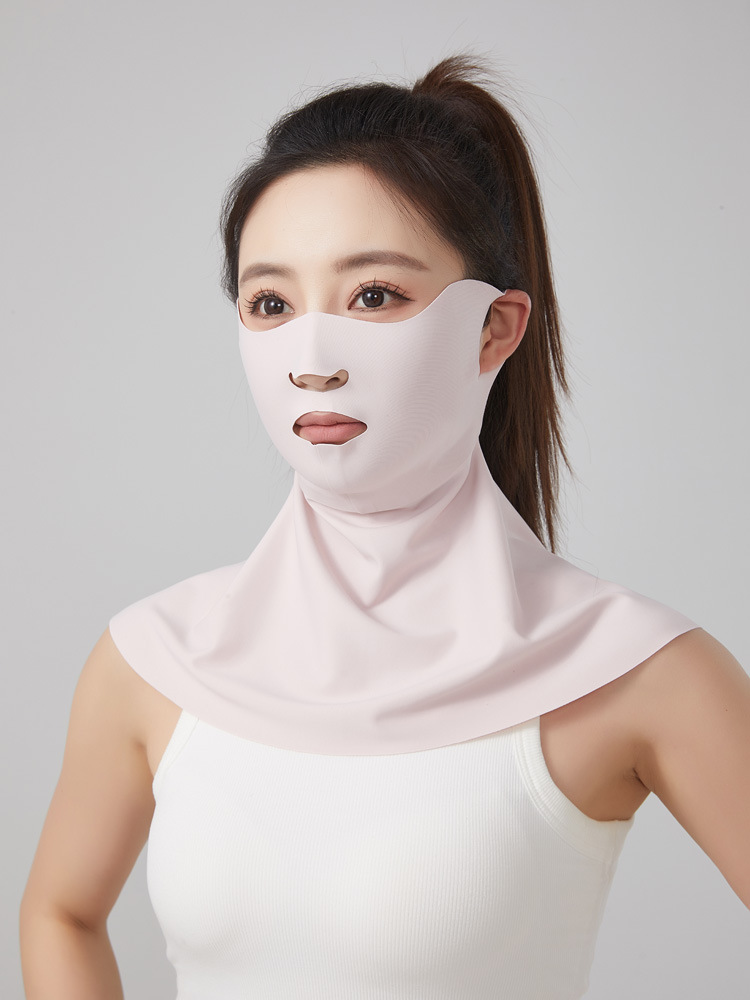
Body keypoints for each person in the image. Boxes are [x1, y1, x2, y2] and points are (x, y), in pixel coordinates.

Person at [19, 53, 750, 1000]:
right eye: (271, 303)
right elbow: (60, 912)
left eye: (374, 296)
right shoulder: (153, 661)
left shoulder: (636, 671)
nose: (312, 361)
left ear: (495, 329)